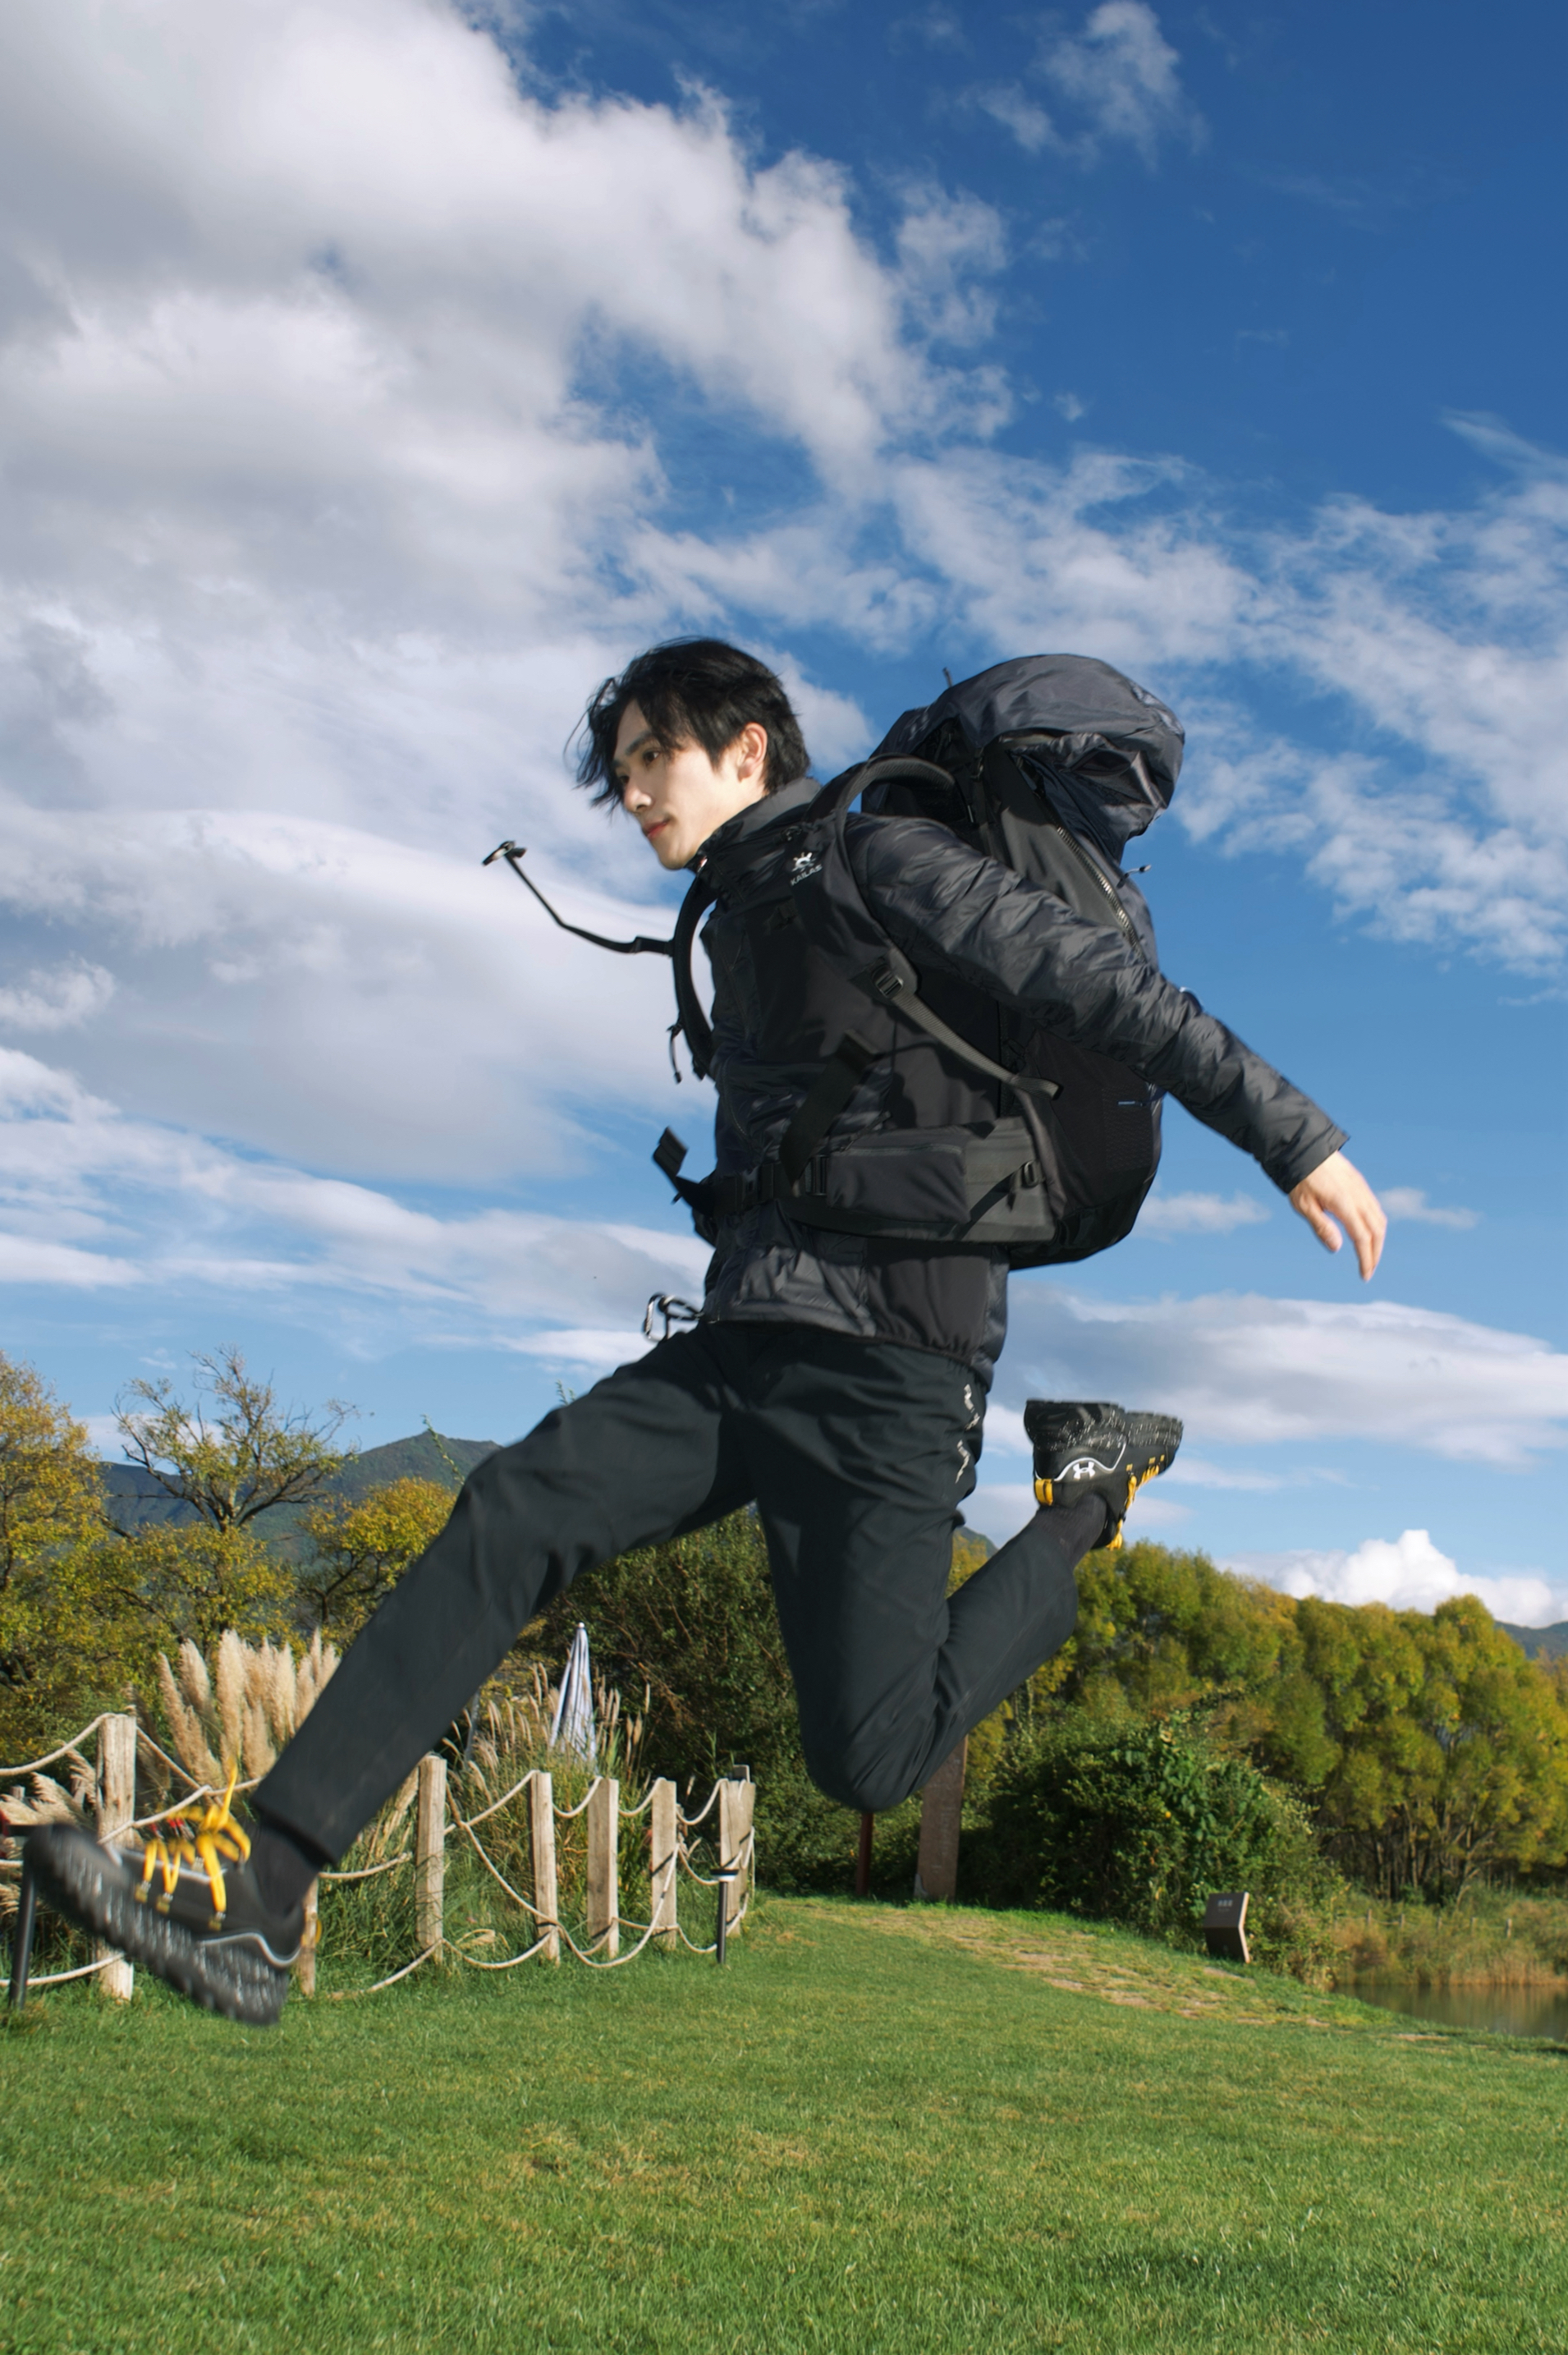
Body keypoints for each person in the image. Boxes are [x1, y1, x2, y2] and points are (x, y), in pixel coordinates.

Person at [28, 640, 1386, 2024]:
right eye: (616, 772)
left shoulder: (883, 857)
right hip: (749, 1339)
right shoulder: (738, 910)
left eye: (651, 759)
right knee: (512, 1508)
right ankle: (263, 1886)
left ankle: (1087, 1493)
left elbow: (1110, 993)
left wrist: (1295, 1141)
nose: (631, 795)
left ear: (746, 750)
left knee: (867, 1761)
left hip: (895, 1359)